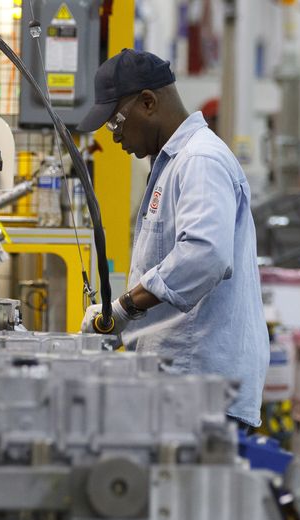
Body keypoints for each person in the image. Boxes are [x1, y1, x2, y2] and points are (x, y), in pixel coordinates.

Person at [76, 49, 269, 430]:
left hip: (200, 392)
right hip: (182, 387)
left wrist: (124, 307)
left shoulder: (200, 161)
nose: (115, 137)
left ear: (147, 102)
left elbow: (205, 255)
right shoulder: (174, 164)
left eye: (116, 122)